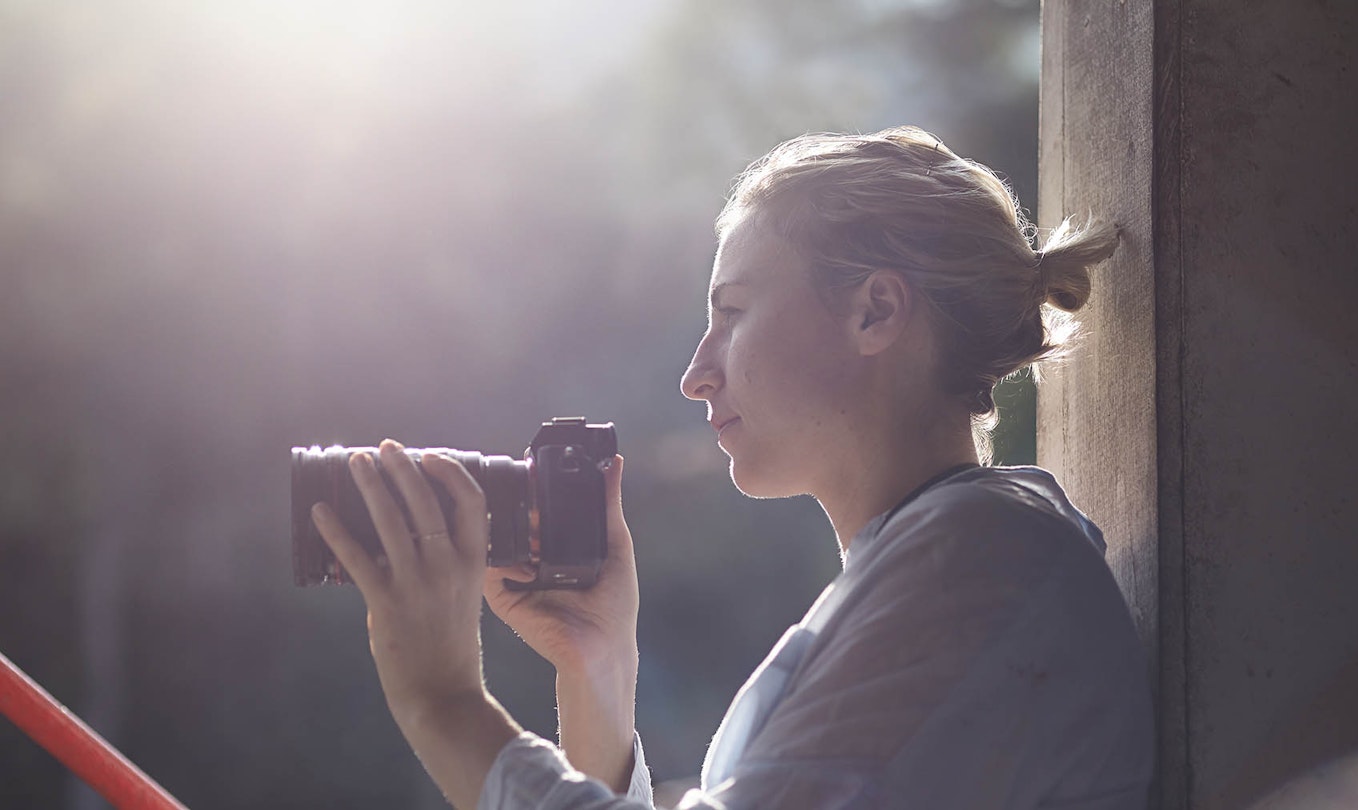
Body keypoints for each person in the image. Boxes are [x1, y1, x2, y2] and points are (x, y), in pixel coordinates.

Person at [311, 126, 1155, 809]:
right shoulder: (952, 558)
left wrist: (443, 699)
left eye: (734, 313)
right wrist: (598, 673)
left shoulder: (982, 561)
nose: (696, 373)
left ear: (875, 309)